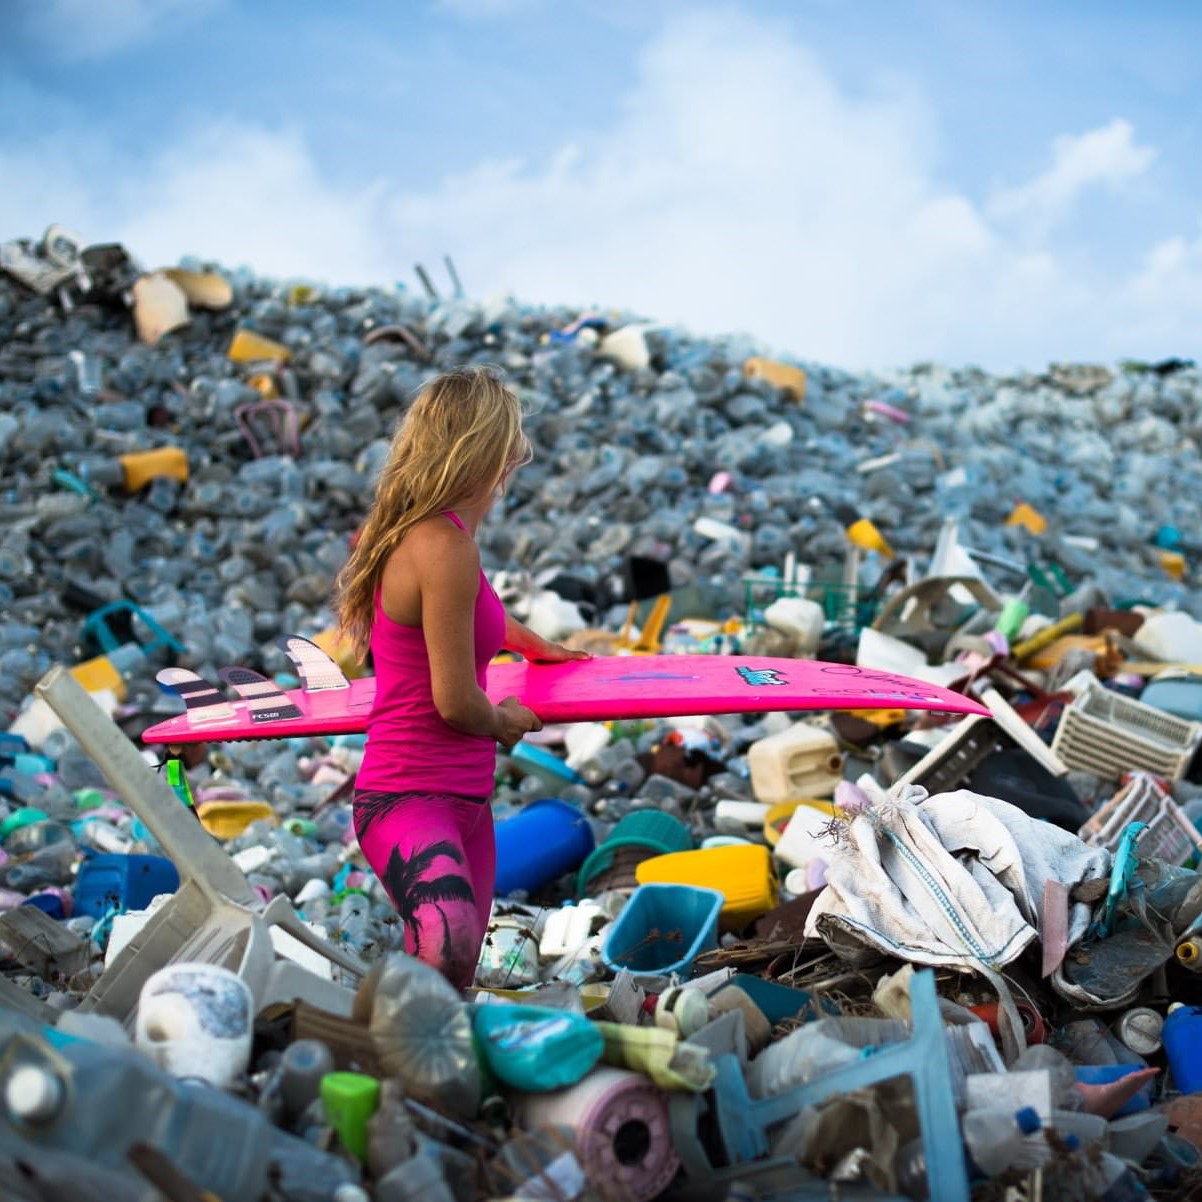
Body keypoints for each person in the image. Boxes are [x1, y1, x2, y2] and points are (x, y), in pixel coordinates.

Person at [334, 366, 588, 988]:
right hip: (407, 795)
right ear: (488, 454)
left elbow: (474, 616)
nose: (511, 474)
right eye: (510, 453)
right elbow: (456, 704)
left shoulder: (438, 539)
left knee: (455, 969)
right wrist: (507, 722)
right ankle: (384, 1067)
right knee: (447, 943)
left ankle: (426, 1073)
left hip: (464, 804)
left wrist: (538, 646)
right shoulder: (444, 548)